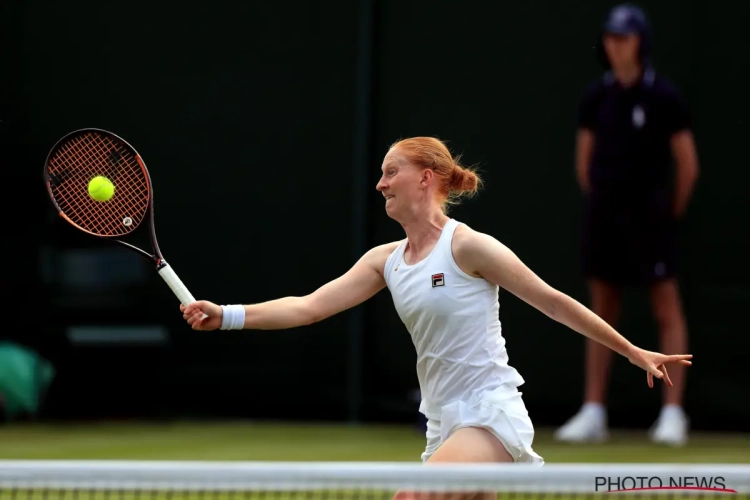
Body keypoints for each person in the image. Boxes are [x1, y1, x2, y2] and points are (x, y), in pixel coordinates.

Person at [181, 137, 692, 469]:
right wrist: (224, 316)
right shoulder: (385, 261)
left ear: (426, 177)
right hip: (443, 422)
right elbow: (309, 306)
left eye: (390, 172)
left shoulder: (468, 246)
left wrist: (632, 351)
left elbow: (554, 302)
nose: (379, 183)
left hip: (489, 413)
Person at [555, 4, 700, 446]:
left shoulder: (665, 97)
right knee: (601, 310)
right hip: (605, 218)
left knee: (665, 308)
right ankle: (594, 410)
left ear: (641, 42)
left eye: (625, 37)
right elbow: (583, 163)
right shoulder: (595, 99)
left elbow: (687, 165)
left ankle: (673, 416)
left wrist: (665, 211)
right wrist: (604, 201)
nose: (616, 45)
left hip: (652, 219)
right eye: (611, 37)